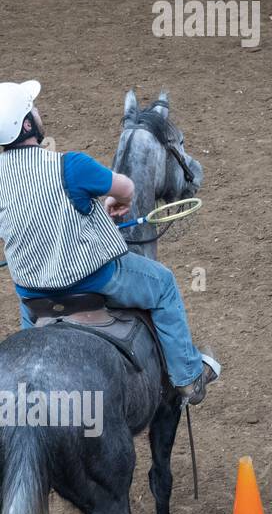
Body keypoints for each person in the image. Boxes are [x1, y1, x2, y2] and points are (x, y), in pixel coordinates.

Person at [0, 81, 219, 403]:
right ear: (27, 124)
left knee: (29, 335)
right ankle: (188, 378)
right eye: (33, 107)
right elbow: (127, 188)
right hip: (95, 278)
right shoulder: (71, 165)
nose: (38, 109)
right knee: (163, 283)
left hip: (32, 293)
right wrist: (114, 202)